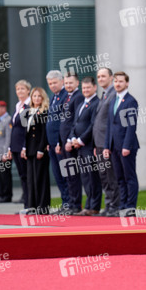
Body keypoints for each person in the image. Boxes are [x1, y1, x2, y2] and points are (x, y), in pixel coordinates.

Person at [103, 71, 139, 217]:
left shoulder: (131, 101)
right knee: (119, 178)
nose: (117, 84)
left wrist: (126, 146)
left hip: (126, 147)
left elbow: (132, 126)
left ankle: (130, 206)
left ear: (127, 83)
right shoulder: (113, 100)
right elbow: (109, 125)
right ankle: (122, 205)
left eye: (121, 81)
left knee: (129, 177)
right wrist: (106, 146)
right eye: (116, 81)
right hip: (114, 146)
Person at [69, 77, 102, 216]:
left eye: (88, 87)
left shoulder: (96, 103)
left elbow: (92, 125)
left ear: (94, 87)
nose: (86, 90)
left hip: (88, 145)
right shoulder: (82, 103)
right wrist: (72, 138)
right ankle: (88, 205)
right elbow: (75, 124)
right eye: (84, 88)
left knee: (92, 177)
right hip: (79, 147)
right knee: (85, 177)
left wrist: (81, 140)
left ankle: (94, 206)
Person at [92, 68, 120, 217]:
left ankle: (115, 206)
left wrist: (108, 145)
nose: (100, 79)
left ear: (111, 78)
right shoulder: (103, 95)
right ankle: (109, 205)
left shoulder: (114, 94)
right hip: (100, 143)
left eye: (103, 76)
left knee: (111, 175)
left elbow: (112, 121)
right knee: (104, 176)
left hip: (107, 143)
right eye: (99, 76)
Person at [55, 73, 84, 214]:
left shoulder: (78, 97)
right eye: (66, 83)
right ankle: (70, 203)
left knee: (73, 175)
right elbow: (63, 122)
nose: (68, 85)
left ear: (77, 83)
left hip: (71, 142)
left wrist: (68, 140)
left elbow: (76, 121)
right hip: (64, 142)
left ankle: (76, 204)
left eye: (70, 83)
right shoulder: (67, 97)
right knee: (67, 175)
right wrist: (60, 142)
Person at [21, 87, 50, 214]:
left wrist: (41, 149)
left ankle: (42, 206)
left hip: (39, 149)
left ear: (43, 98)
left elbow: (44, 132)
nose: (36, 98)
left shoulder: (44, 112)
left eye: (39, 96)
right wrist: (24, 148)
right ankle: (32, 205)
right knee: (31, 178)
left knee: (40, 178)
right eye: (34, 96)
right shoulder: (28, 111)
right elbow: (25, 132)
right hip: (30, 149)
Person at [45, 70, 69, 213]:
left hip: (60, 143)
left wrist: (60, 141)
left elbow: (63, 122)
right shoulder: (53, 97)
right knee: (57, 175)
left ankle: (69, 203)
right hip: (52, 143)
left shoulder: (66, 96)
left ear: (62, 81)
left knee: (65, 175)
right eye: (50, 83)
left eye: (55, 82)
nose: (52, 86)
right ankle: (64, 202)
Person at [6, 80, 30, 207]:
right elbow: (14, 127)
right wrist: (10, 147)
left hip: (22, 146)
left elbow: (27, 129)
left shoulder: (29, 106)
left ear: (28, 90)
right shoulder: (18, 105)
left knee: (27, 176)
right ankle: (26, 202)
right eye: (17, 89)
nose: (19, 91)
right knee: (22, 176)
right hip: (15, 146)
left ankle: (29, 204)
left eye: (22, 89)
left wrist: (25, 146)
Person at [0, 101, 13, 203]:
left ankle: (6, 195)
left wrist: (6, 153)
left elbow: (8, 139)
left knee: (5, 176)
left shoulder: (8, 120)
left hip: (3, 153)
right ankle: (0, 194)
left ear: (3, 109)